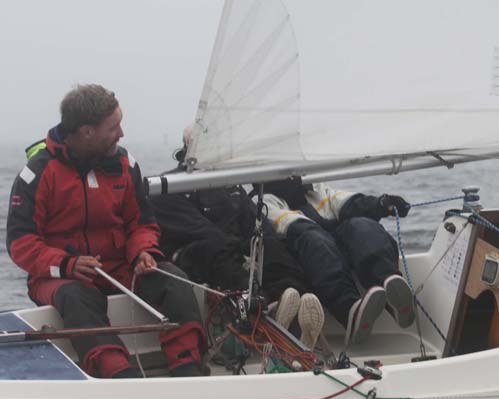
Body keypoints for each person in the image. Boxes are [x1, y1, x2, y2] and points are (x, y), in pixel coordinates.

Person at [5, 84, 206, 378]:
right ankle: (119, 376)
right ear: (87, 132)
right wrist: (67, 264)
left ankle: (189, 368)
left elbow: (141, 223)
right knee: (77, 298)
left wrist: (144, 252)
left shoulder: (125, 164)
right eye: (114, 127)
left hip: (120, 268)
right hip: (61, 275)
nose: (122, 133)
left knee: (173, 280)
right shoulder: (38, 174)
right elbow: (20, 242)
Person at [149, 129, 325, 349]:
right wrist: (241, 249)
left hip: (230, 247)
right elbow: (199, 230)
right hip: (194, 255)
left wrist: (261, 244)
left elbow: (254, 220)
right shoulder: (169, 187)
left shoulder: (230, 186)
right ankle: (265, 310)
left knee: (269, 245)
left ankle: (292, 300)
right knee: (214, 251)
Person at [264, 182, 415, 345]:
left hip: (333, 246)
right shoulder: (265, 203)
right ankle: (350, 312)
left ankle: (390, 285)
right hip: (309, 258)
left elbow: (347, 203)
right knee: (315, 241)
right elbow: (294, 225)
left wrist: (381, 204)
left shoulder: (316, 191)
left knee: (362, 226)